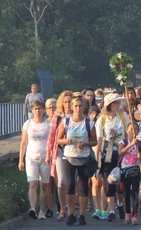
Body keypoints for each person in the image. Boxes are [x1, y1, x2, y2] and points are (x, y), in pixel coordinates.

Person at [57, 96, 97, 226]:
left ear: (84, 107)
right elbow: (58, 139)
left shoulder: (89, 123)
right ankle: (71, 213)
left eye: (80, 106)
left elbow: (95, 141)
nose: (78, 108)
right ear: (72, 107)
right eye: (75, 106)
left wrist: (85, 143)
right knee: (70, 185)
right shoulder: (66, 121)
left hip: (84, 157)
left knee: (83, 187)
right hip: (69, 157)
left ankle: (81, 215)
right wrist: (66, 141)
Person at [94, 93, 130, 222]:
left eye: (118, 103)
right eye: (115, 103)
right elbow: (99, 140)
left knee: (121, 182)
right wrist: (97, 158)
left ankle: (120, 204)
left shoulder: (123, 116)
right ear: (109, 105)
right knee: (109, 181)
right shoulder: (102, 120)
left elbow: (129, 131)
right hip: (108, 155)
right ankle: (110, 210)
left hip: (122, 152)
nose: (117, 105)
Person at [18, 100, 51, 220]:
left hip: (45, 158)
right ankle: (32, 208)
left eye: (40, 108)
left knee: (44, 186)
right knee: (33, 183)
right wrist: (20, 160)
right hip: (31, 157)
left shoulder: (49, 124)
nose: (38, 111)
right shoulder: (27, 124)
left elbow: (52, 141)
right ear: (32, 110)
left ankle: (42, 211)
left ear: (43, 110)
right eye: (35, 109)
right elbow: (23, 142)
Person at [45, 90, 73, 221]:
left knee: (72, 182)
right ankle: (62, 209)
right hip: (61, 151)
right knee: (61, 182)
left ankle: (71, 207)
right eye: (65, 102)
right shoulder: (58, 118)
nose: (68, 104)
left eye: (70, 102)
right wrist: (49, 154)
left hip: (75, 153)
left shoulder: (77, 115)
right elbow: (51, 137)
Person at [118, 123, 141, 225]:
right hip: (125, 170)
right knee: (126, 193)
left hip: (135, 170)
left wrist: (140, 156)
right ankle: (127, 213)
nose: (133, 131)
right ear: (127, 130)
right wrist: (130, 144)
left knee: (135, 193)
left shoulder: (140, 144)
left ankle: (134, 215)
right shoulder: (123, 141)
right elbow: (120, 152)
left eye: (136, 129)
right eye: (131, 129)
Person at [44, 98, 57, 218]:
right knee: (47, 183)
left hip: (58, 154)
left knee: (59, 183)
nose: (52, 110)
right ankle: (49, 208)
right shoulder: (44, 123)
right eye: (49, 108)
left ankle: (61, 206)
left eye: (54, 107)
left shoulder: (60, 121)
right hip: (47, 155)